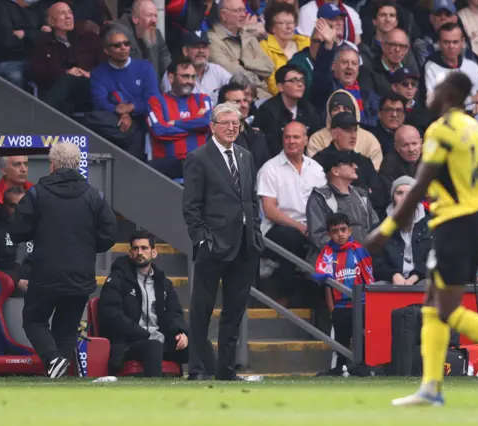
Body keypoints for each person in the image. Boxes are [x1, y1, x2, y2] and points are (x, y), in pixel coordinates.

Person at [365, 72, 478, 406]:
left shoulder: (442, 130)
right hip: (473, 221)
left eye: (436, 89)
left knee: (447, 309)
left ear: (450, 94)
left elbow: (420, 184)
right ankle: (431, 386)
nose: (430, 94)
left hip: (455, 223)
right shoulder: (476, 132)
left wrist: (386, 230)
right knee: (434, 307)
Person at [9, 143, 117, 379]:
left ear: (53, 165)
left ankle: (53, 359)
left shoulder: (37, 193)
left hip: (45, 273)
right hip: (81, 274)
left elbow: (18, 230)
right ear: (78, 165)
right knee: (66, 329)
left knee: (33, 319)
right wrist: (88, 248)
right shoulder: (94, 195)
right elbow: (110, 233)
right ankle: (60, 375)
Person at [182, 102, 264, 381]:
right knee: (201, 309)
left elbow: (251, 199)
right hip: (213, 245)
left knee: (234, 311)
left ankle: (225, 371)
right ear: (212, 126)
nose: (231, 128)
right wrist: (202, 240)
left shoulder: (245, 156)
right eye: (226, 123)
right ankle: (195, 368)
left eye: (235, 123)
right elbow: (191, 207)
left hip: (245, 245)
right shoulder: (198, 157)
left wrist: (256, 232)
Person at [98, 231, 189, 377]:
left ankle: (210, 385)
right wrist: (144, 334)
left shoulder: (163, 283)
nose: (139, 252)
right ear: (130, 253)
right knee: (154, 346)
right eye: (135, 248)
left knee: (200, 344)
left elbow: (175, 313)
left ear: (154, 253)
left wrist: (180, 332)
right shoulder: (118, 279)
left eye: (144, 248)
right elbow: (111, 315)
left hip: (160, 340)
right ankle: (154, 392)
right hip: (129, 344)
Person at [257, 122, 326, 306]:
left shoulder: (316, 169)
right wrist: (300, 227)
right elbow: (269, 210)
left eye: (296, 137)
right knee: (292, 238)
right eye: (287, 137)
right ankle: (284, 295)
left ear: (306, 140)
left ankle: (318, 304)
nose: (291, 141)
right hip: (278, 228)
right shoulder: (270, 168)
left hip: (312, 227)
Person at [313, 212, 374, 374]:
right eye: (335, 231)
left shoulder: (359, 251)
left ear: (350, 231)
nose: (340, 234)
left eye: (343, 229)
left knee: (364, 338)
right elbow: (326, 283)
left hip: (361, 304)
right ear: (329, 234)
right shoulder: (327, 254)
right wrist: (332, 308)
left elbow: (368, 279)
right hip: (340, 306)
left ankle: (366, 369)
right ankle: (338, 370)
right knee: (340, 342)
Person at [89, 27, 160, 159]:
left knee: (133, 135)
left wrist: (132, 107)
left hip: (142, 120)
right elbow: (100, 101)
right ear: (106, 50)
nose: (123, 48)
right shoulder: (98, 73)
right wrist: (122, 112)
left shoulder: (145, 67)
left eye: (126, 44)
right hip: (113, 120)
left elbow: (153, 99)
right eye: (117, 45)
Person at [29, 2, 104, 115]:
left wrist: (88, 74)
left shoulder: (89, 39)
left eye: (70, 12)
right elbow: (37, 72)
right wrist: (65, 72)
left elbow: (106, 66)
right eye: (62, 13)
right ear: (51, 22)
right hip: (61, 93)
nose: (68, 16)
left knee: (69, 80)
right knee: (64, 106)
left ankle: (36, 115)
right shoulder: (42, 43)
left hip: (89, 88)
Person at [147, 58, 211, 179]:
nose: (190, 82)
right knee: (143, 169)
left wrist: (174, 123)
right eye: (185, 76)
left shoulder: (202, 99)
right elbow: (159, 131)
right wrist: (194, 126)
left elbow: (207, 122)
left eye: (193, 77)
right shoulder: (156, 102)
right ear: (171, 78)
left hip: (198, 161)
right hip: (168, 164)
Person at [373, 176, 431, 284]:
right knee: (378, 287)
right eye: (399, 193)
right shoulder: (380, 229)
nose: (404, 197)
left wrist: (416, 276)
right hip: (391, 280)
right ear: (393, 197)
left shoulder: (431, 225)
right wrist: (393, 275)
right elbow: (377, 263)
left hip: (422, 279)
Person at [161, 31, 232, 107]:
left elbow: (235, 89)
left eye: (204, 47)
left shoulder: (217, 70)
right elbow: (171, 104)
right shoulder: (173, 73)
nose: (201, 51)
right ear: (185, 51)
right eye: (196, 47)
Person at [218, 82, 271, 172]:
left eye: (245, 101)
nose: (244, 105)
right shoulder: (218, 139)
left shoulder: (258, 136)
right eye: (237, 102)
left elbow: (267, 168)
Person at [112, 0, 171, 78]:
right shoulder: (118, 34)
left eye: (155, 16)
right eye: (149, 15)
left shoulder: (156, 34)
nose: (154, 20)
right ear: (135, 19)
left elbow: (167, 66)